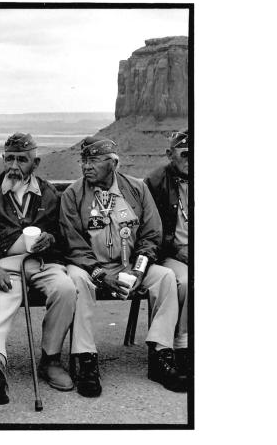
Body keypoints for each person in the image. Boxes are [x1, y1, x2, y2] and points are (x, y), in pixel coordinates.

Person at [60, 136, 186, 397]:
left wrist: (139, 269)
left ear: (113, 163)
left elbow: (152, 234)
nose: (86, 167)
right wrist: (100, 274)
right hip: (89, 267)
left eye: (93, 161)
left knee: (165, 277)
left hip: (130, 265)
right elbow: (72, 244)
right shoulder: (73, 194)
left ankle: (161, 354)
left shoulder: (136, 189)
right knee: (77, 281)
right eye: (84, 161)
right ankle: (85, 359)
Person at [0, 133, 77, 405]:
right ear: (3, 159)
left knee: (65, 289)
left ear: (36, 162)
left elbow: (61, 234)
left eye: (22, 159)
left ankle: (51, 360)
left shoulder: (49, 193)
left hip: (43, 262)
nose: (14, 166)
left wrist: (50, 239)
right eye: (10, 158)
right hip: (5, 264)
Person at [145, 129, 190, 376]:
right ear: (169, 154)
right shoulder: (155, 182)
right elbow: (151, 230)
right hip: (170, 254)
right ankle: (181, 344)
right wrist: (178, 250)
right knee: (184, 281)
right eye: (185, 154)